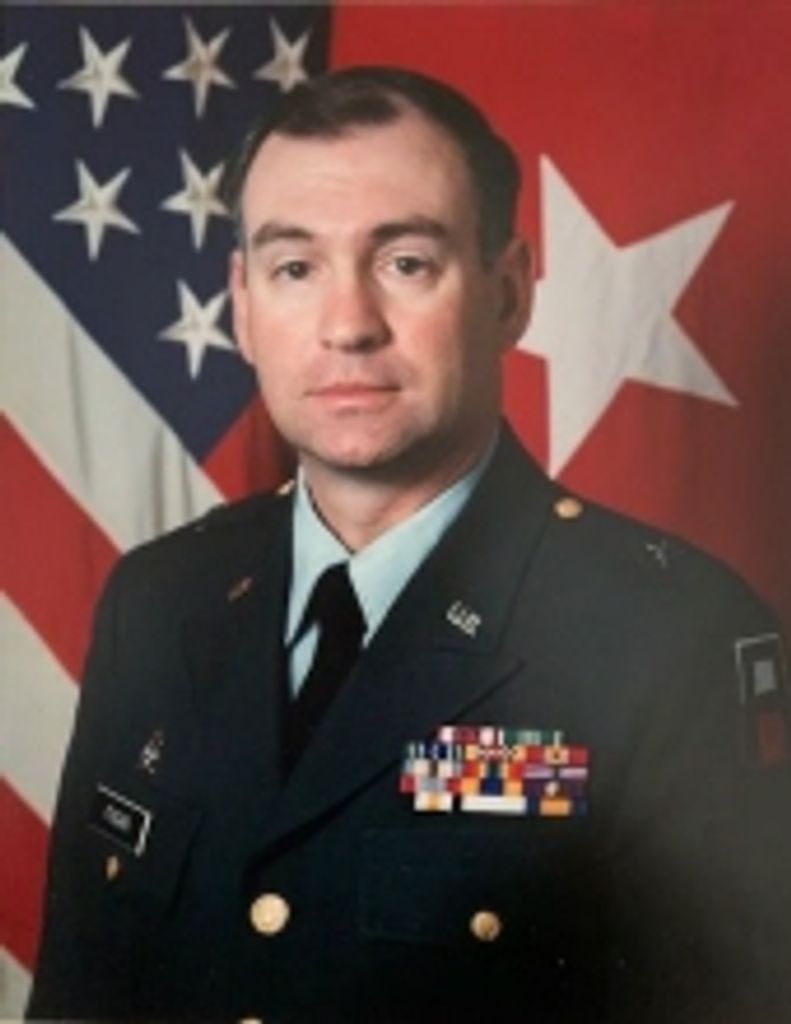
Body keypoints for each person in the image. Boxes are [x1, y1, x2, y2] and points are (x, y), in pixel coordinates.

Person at [28, 66, 791, 1023]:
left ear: (507, 295)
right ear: (243, 305)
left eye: (405, 263)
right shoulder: (158, 599)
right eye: (295, 268)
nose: (347, 326)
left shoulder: (672, 638)